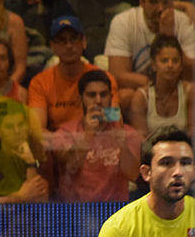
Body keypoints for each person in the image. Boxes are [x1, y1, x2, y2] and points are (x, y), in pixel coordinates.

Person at [50, 69, 140, 202]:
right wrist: (88, 135)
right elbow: (70, 168)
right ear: (80, 99)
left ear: (111, 97)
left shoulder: (128, 133)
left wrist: (121, 140)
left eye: (103, 95)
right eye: (91, 95)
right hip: (76, 210)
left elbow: (133, 175)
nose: (98, 101)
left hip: (116, 209)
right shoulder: (65, 133)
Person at [103, 0, 195, 113]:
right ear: (142, 2)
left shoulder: (184, 21)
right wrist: (158, 84)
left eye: (165, 2)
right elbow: (117, 75)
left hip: (174, 88)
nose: (160, 8)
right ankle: (110, 122)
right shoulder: (123, 21)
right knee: (125, 96)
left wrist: (170, 37)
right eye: (154, 2)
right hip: (138, 88)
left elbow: (193, 73)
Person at [28, 15, 120, 132]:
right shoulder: (39, 83)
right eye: (62, 40)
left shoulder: (103, 79)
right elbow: (38, 130)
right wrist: (67, 140)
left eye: (74, 39)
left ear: (84, 42)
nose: (69, 46)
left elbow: (114, 123)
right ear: (52, 46)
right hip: (58, 141)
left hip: (96, 137)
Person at [128, 36, 193, 138]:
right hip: (151, 148)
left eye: (175, 61)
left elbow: (194, 134)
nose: (170, 65)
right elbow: (141, 140)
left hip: (184, 146)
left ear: (181, 66)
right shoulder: (141, 97)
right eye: (164, 60)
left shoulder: (190, 92)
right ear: (154, 65)